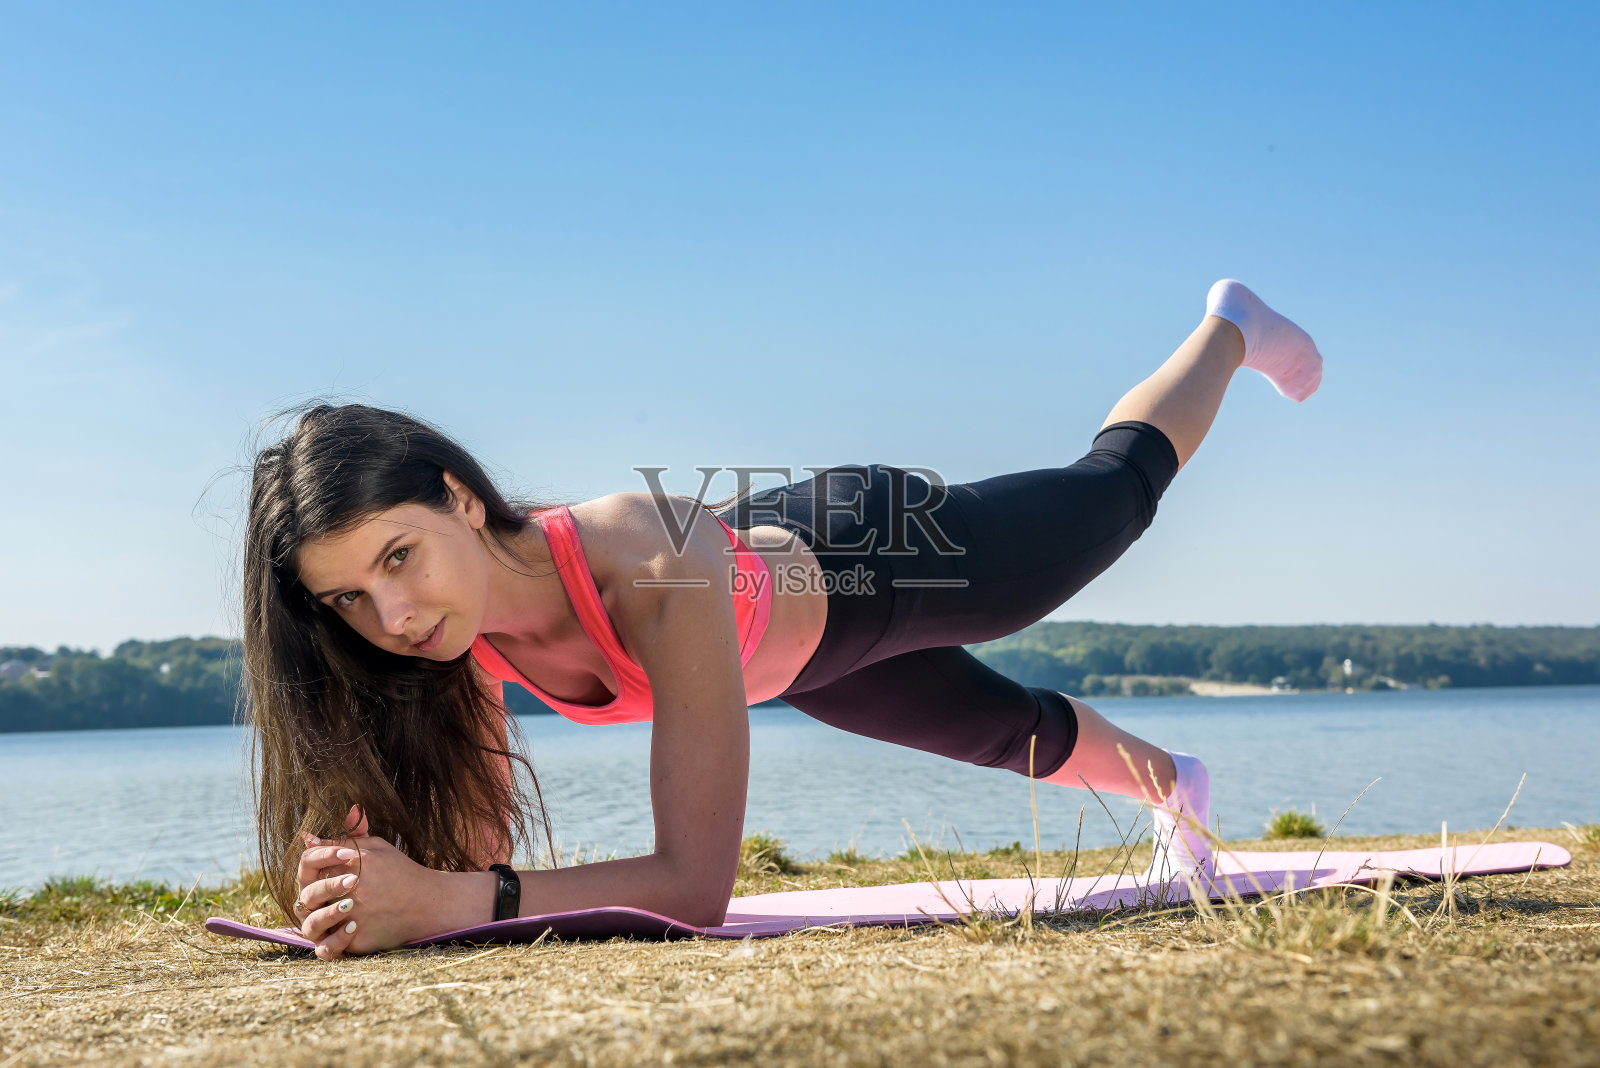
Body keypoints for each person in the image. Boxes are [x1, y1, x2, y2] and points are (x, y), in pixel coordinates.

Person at [245, 279, 1323, 960]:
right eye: (349, 597)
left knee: (1107, 501)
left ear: (461, 500)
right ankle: (1178, 784)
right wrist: (374, 886)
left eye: (399, 556)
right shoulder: (448, 646)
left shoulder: (644, 554)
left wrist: (449, 900)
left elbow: (693, 888)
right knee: (1009, 735)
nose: (391, 613)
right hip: (791, 659)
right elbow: (472, 878)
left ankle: (1230, 325)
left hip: (867, 555)